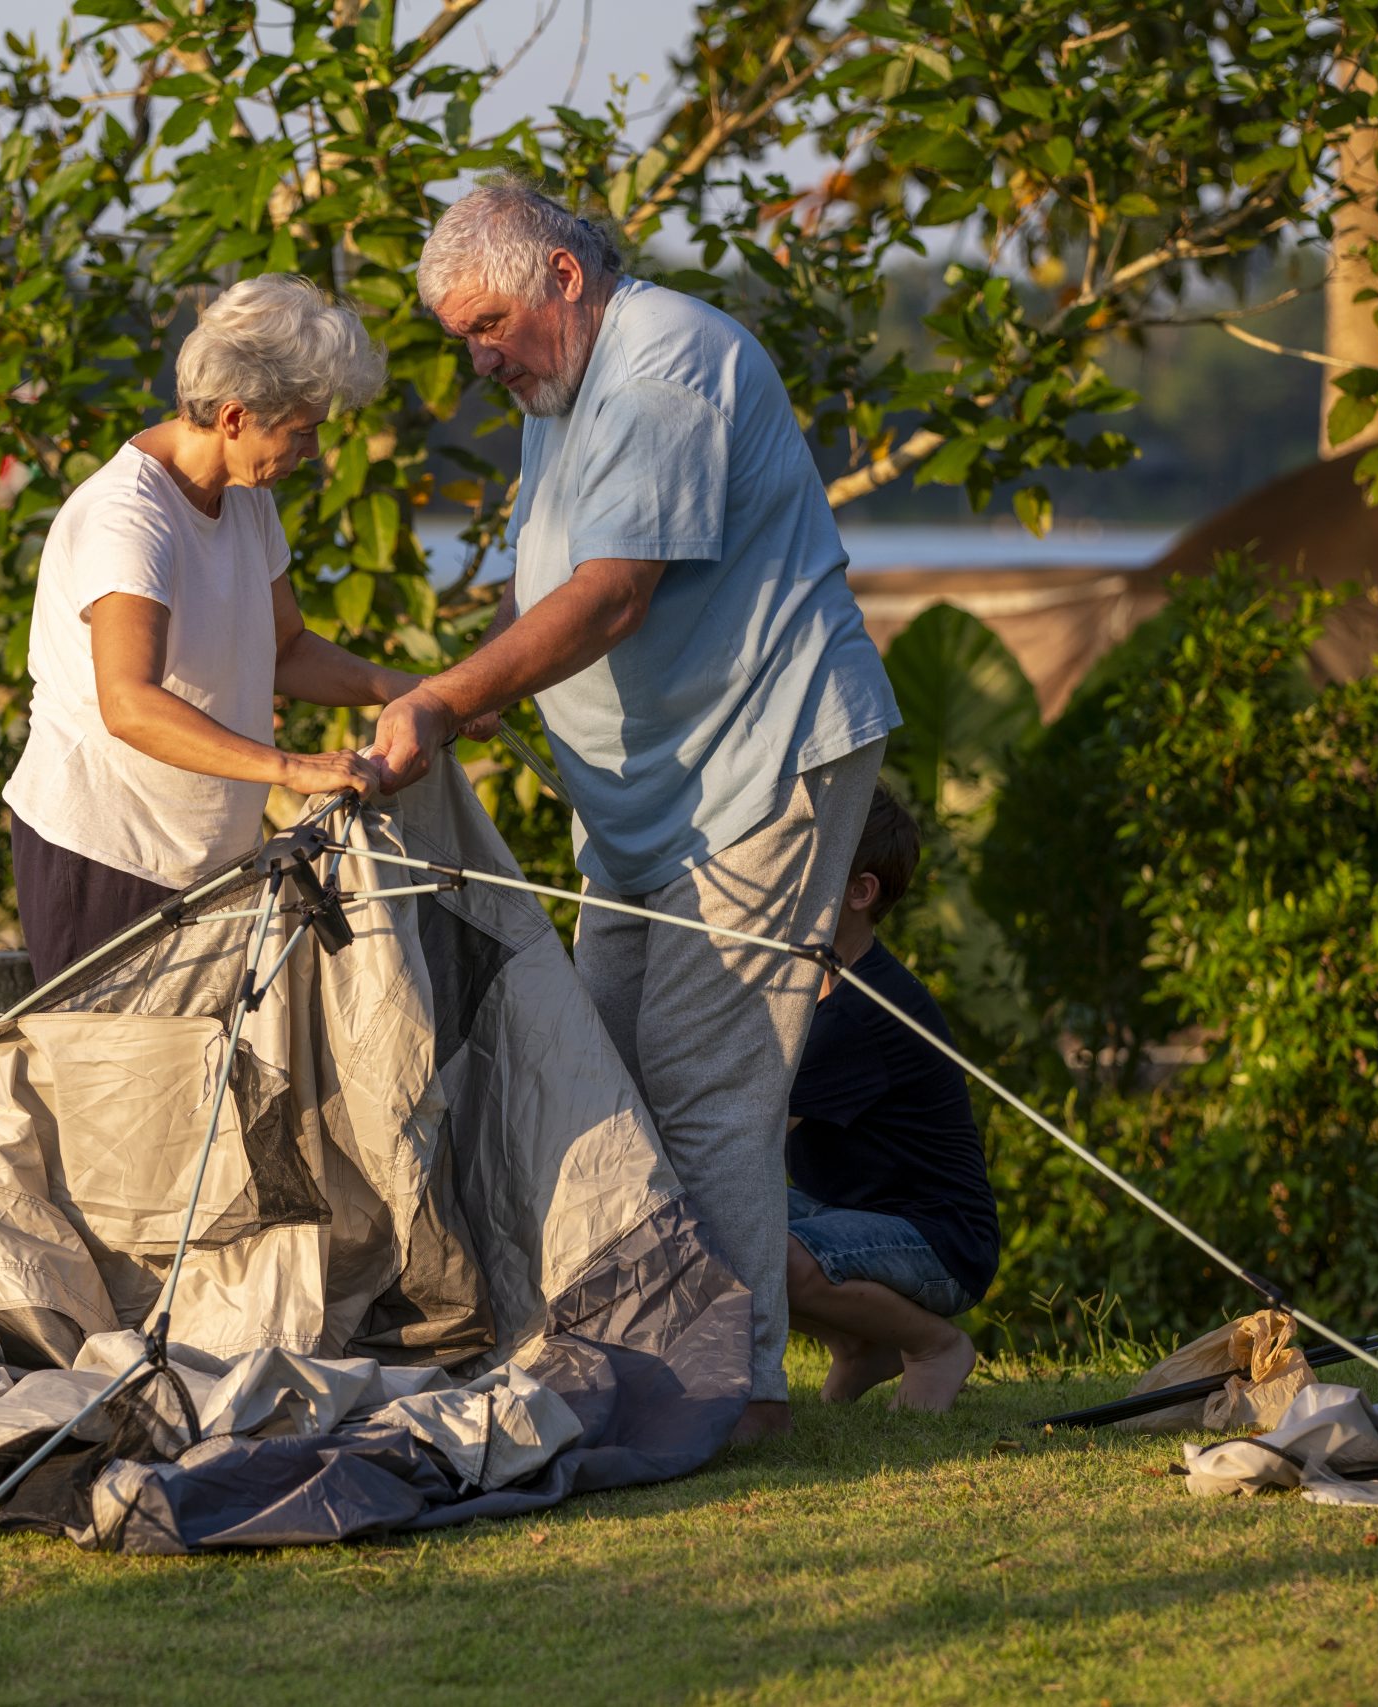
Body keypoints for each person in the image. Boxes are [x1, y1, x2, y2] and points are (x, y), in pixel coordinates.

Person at [374, 181, 901, 1440]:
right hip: (641, 804)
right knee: (591, 1062)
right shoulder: (558, 389)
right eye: (462, 339)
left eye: (489, 323)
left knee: (705, 1081)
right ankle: (623, 1361)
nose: (479, 357)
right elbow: (539, 582)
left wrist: (448, 705)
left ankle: (735, 1395)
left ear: (563, 276)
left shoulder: (664, 366)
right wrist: (447, 694)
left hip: (758, 767)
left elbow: (612, 597)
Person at [4, 274, 414, 985]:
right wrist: (293, 766)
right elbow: (128, 703)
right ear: (234, 417)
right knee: (119, 1083)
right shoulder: (129, 518)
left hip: (206, 858)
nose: (313, 451)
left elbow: (287, 648)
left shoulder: (247, 499)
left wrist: (412, 691)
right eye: (302, 430)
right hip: (107, 853)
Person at [784, 785, 998, 1413]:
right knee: (716, 1224)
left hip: (940, 1240)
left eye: (805, 861)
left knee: (757, 1246)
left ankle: (933, 1346)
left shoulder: (860, 1013)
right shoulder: (813, 983)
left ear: (859, 891)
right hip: (852, 1213)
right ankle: (861, 1346)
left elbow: (749, 1133)